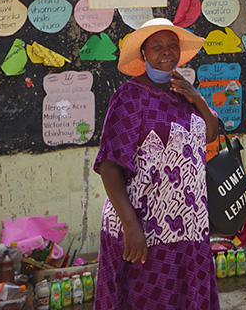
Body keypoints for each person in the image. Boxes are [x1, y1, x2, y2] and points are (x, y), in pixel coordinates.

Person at [94, 17, 221, 310]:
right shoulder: (129, 97)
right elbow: (110, 165)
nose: (166, 51)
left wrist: (198, 98)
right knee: (147, 300)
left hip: (188, 227)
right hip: (146, 227)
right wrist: (131, 226)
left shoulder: (183, 92)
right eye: (157, 46)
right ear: (143, 55)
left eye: (171, 45)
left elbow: (211, 133)